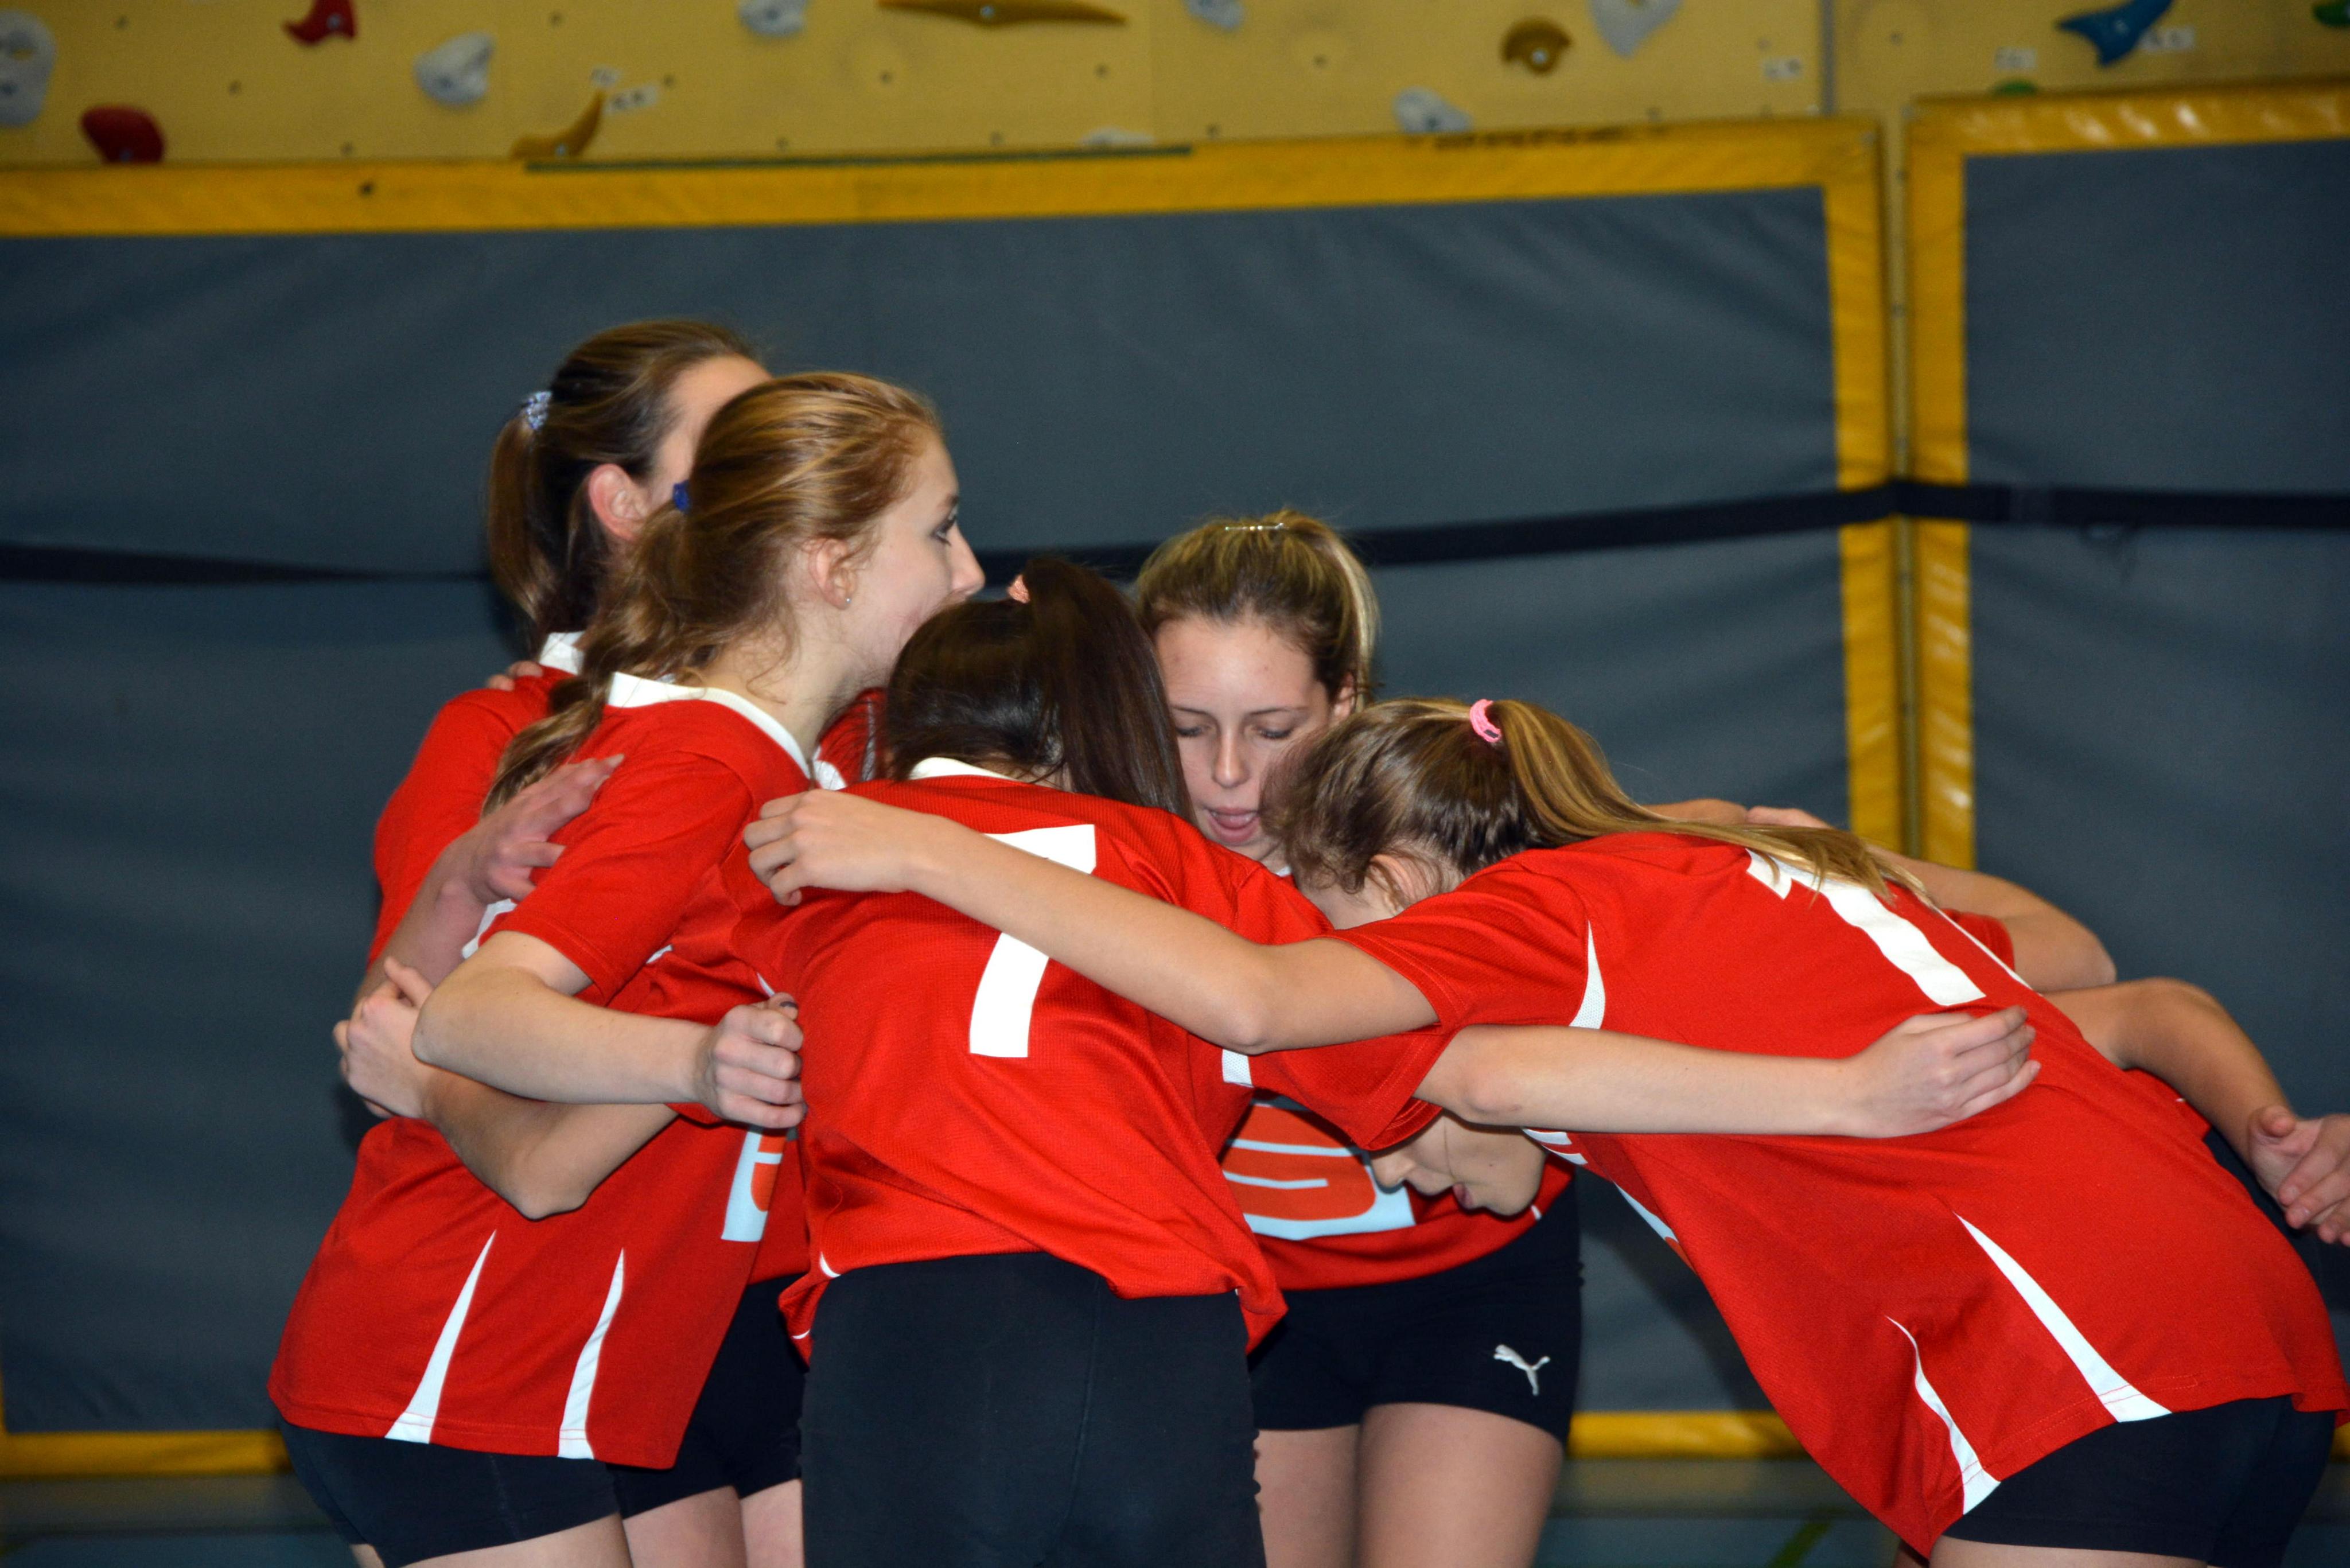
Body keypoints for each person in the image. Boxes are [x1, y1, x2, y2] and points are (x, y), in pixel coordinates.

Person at [744, 696, 2350, 1568]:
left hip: (2070, 1361)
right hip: (2241, 1334)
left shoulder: (1536, 910)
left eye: (1323, 898)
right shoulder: (1749, 872)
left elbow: (1267, 999)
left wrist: (921, 850)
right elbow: (2103, 978)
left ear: (1400, 881)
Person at [278, 370, 976, 1568]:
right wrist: (697, 1062)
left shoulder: (773, 766)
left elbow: (557, 1151)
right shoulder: (707, 764)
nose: (966, 572)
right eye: (941, 529)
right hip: (460, 1356)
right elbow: (468, 1015)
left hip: (562, 1363)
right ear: (830, 565)